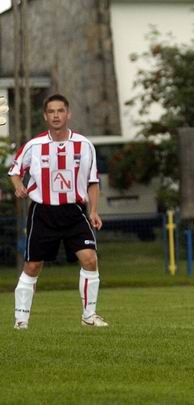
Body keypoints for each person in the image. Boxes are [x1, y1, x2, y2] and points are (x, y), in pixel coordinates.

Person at [9, 94, 108, 329]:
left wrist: (93, 210)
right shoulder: (34, 145)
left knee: (90, 259)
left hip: (74, 211)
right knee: (33, 266)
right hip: (43, 212)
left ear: (68, 114)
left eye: (60, 111)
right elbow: (14, 171)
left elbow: (93, 182)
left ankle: (89, 316)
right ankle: (21, 320)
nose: (56, 115)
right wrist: (18, 186)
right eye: (51, 111)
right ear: (45, 116)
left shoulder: (84, 145)